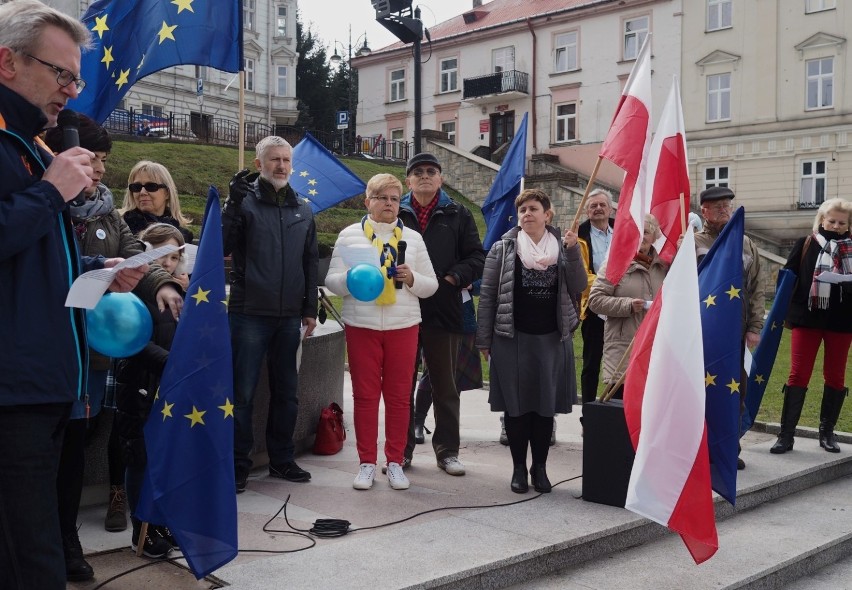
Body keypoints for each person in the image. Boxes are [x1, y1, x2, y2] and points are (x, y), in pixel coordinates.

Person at [0, 3, 146, 588]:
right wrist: (52, 192)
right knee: (30, 565)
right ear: (6, 62)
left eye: (75, 76)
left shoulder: (26, 145)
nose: (71, 89)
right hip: (12, 393)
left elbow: (31, 261)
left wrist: (97, 269)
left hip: (40, 385)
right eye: (59, 72)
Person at [43, 115, 183, 580]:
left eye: (103, 161)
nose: (100, 170)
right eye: (92, 159)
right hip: (46, 347)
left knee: (74, 451)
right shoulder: (51, 204)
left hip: (91, 359)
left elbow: (137, 256)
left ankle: (67, 541)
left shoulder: (105, 211)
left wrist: (162, 284)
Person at [325, 173, 438, 490]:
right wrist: (350, 277)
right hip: (362, 326)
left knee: (400, 398)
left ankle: (394, 461)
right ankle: (366, 463)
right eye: (381, 198)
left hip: (404, 326)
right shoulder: (349, 236)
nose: (388, 204)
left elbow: (432, 286)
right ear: (367, 202)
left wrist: (413, 277)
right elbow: (332, 282)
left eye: (393, 198)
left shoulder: (412, 239)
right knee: (364, 397)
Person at [223, 136, 319, 492]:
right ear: (259, 162)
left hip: (289, 316)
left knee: (287, 393)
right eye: (274, 159)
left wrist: (310, 307)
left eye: (286, 160)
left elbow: (310, 262)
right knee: (243, 394)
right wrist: (232, 202)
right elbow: (221, 245)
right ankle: (237, 465)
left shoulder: (304, 209)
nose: (281, 166)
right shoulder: (244, 202)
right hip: (249, 313)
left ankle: (281, 460)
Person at [476, 189, 586, 493]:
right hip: (512, 340)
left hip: (551, 340)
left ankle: (540, 468)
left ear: (547, 215)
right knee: (516, 408)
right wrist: (484, 340)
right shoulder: (502, 248)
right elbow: (487, 297)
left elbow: (579, 285)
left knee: (543, 408)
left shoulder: (565, 248)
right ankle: (518, 469)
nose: (527, 214)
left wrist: (574, 251)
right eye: (522, 209)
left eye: (533, 208)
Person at [398, 152, 485, 476]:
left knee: (445, 386)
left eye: (431, 171)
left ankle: (448, 452)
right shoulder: (397, 212)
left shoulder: (457, 213)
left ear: (440, 178)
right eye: (417, 171)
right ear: (409, 180)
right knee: (401, 386)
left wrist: (451, 280)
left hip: (444, 310)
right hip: (402, 310)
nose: (424, 176)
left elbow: (477, 257)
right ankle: (400, 451)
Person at [115, 223, 188, 559]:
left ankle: (159, 522)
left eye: (174, 257)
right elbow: (130, 339)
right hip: (140, 386)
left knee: (166, 458)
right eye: (162, 256)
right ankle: (140, 528)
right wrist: (169, 362)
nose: (169, 265)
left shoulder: (181, 292)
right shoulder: (132, 292)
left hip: (170, 389)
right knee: (140, 459)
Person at [771, 198, 852, 455]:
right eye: (832, 220)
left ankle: (827, 433)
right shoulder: (806, 243)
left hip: (842, 321)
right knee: (798, 374)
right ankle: (786, 436)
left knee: (836, 376)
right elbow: (786, 279)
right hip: (807, 318)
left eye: (842, 222)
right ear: (822, 220)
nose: (837, 226)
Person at [695, 186, 765, 470]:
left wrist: (755, 326)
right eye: (717, 206)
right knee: (702, 391)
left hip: (736, 332)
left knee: (735, 390)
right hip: (704, 332)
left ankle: (728, 447)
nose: (724, 210)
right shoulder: (692, 242)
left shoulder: (746, 244)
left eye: (727, 205)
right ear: (704, 211)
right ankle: (700, 447)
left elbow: (758, 287)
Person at [588, 214, 668, 399]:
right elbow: (595, 300)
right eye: (637, 232)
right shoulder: (615, 264)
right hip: (622, 351)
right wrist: (627, 305)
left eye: (646, 232)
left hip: (655, 349)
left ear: (654, 236)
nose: (642, 237)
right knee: (621, 411)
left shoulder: (664, 267)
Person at [413, 280, 482, 445]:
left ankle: (448, 425)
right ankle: (418, 421)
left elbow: (483, 280)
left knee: (455, 376)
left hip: (464, 320)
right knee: (431, 374)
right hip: (435, 319)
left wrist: (471, 285)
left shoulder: (470, 255)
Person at [576, 189, 615, 407]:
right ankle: (588, 416)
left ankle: (617, 411)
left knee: (620, 363)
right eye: (593, 206)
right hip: (594, 307)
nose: (598, 209)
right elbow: (582, 275)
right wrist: (608, 288)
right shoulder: (579, 235)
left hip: (622, 307)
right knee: (591, 363)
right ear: (587, 211)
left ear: (610, 208)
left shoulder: (623, 230)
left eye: (602, 205)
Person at [119, 160, 193, 243]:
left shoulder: (183, 237)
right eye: (136, 187)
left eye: (151, 186)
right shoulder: (119, 227)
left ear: (167, 193)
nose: (142, 192)